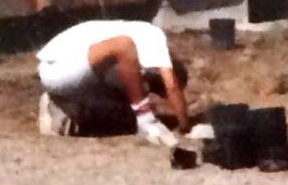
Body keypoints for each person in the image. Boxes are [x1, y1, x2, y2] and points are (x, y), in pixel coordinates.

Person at [35, 17, 190, 145]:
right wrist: (185, 126)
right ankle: (146, 120)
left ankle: (60, 109)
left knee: (126, 99)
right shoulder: (153, 36)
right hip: (62, 68)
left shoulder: (129, 52)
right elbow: (172, 85)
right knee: (124, 44)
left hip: (52, 73)